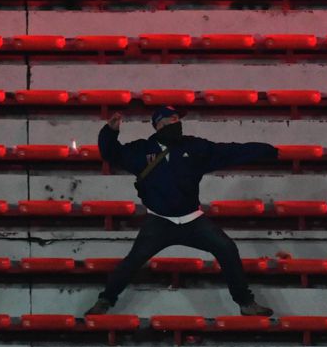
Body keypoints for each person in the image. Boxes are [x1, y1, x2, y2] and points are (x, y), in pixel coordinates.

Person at [86, 107, 277, 317]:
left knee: (227, 249)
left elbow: (228, 151)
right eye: (171, 120)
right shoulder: (141, 150)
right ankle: (105, 300)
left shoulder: (194, 146)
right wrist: (110, 132)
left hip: (193, 219)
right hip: (159, 221)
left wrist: (265, 149)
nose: (176, 124)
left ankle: (246, 303)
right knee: (132, 262)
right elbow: (112, 154)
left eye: (178, 120)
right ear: (159, 125)